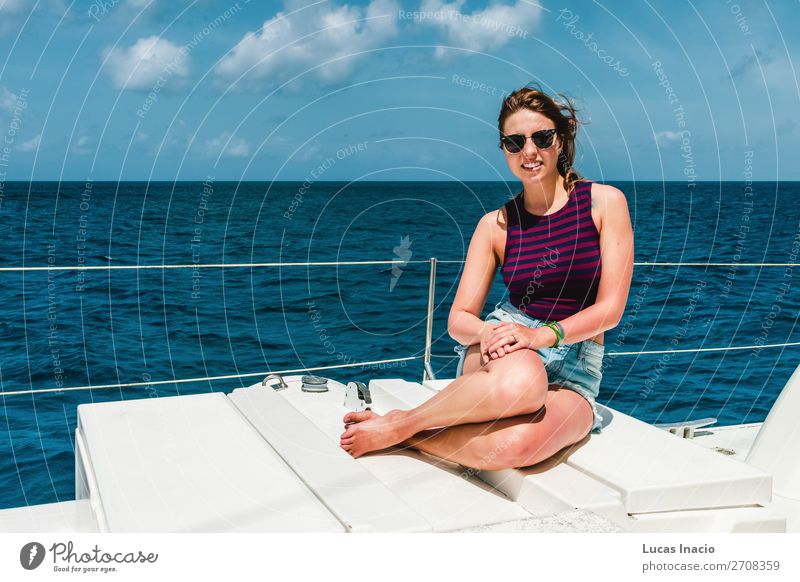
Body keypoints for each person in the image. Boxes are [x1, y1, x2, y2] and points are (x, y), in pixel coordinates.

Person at [340, 84, 634, 470]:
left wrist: (542, 336)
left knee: (518, 449)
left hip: (577, 363)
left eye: (541, 137)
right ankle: (406, 423)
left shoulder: (603, 203)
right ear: (505, 150)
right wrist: (487, 334)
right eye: (515, 143)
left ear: (560, 141)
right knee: (524, 384)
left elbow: (610, 309)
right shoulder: (495, 225)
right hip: (506, 347)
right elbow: (459, 320)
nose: (529, 151)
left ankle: (404, 430)